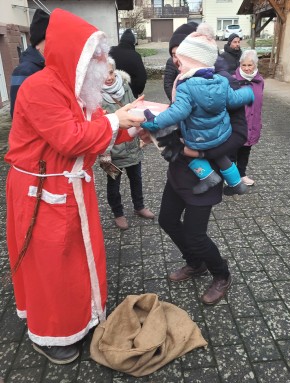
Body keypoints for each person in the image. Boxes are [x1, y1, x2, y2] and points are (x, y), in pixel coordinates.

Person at [5, 8, 144, 364]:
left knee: (78, 261)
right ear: (75, 54)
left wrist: (135, 129)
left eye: (102, 53)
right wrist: (117, 119)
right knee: (52, 266)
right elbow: (71, 139)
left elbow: (98, 133)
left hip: (72, 189)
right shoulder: (39, 88)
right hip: (40, 194)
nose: (104, 61)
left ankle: (79, 319)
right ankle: (50, 335)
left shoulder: (80, 91)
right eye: (96, 54)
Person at [139, 25, 249, 306]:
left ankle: (221, 273)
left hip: (207, 172)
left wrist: (200, 153)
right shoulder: (182, 80)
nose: (176, 61)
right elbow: (180, 118)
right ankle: (195, 263)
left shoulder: (222, 83)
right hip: (179, 168)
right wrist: (155, 132)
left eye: (179, 55)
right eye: (172, 55)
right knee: (166, 220)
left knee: (195, 233)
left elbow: (239, 134)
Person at [142, 28, 254, 196]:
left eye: (181, 61)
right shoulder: (222, 81)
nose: (178, 65)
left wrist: (154, 121)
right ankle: (236, 183)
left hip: (198, 139)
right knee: (222, 158)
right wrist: (248, 94)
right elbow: (233, 99)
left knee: (187, 152)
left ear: (190, 62)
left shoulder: (185, 87)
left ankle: (208, 177)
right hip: (222, 135)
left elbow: (177, 112)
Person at [99, 57, 154, 230]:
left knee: (136, 178)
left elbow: (134, 108)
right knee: (113, 184)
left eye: (110, 72)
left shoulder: (124, 86)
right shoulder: (94, 95)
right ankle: (118, 213)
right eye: (102, 73)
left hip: (131, 143)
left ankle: (139, 206)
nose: (108, 77)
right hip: (112, 149)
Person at [10, 8, 50, 117]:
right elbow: (16, 112)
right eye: (49, 39)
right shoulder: (24, 71)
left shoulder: (47, 65)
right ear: (37, 43)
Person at [234, 49, 264, 186]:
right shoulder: (233, 80)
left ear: (255, 65)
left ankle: (242, 175)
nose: (246, 68)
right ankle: (231, 177)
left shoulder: (260, 81)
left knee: (246, 151)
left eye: (249, 65)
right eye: (244, 65)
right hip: (237, 123)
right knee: (233, 151)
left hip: (252, 123)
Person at [164, 22, 198, 102]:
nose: (178, 60)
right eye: (174, 55)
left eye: (182, 54)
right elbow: (168, 84)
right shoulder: (171, 63)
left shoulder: (216, 78)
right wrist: (176, 102)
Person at [109, 28, 147, 98]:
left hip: (110, 93)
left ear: (121, 40)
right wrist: (137, 91)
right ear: (133, 42)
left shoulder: (111, 51)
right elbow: (142, 78)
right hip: (130, 95)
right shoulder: (135, 56)